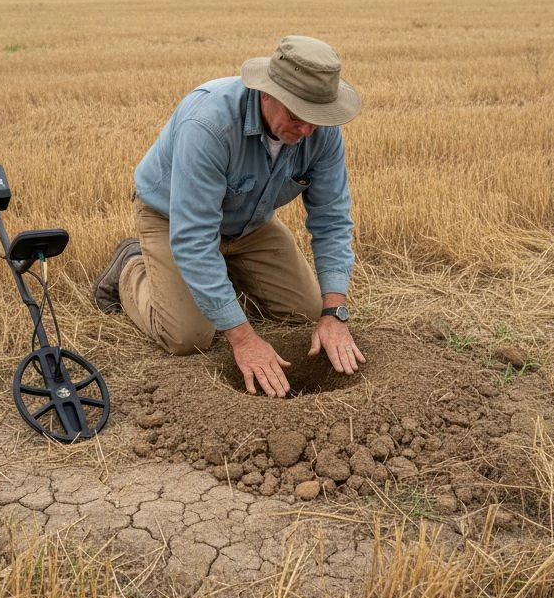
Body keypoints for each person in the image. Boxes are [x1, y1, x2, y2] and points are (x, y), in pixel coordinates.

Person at [92, 35, 366, 398]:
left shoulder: (319, 131)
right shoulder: (209, 124)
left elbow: (332, 220)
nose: (308, 132)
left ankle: (218, 279)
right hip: (173, 220)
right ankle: (131, 267)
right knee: (188, 336)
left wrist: (334, 314)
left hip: (251, 222)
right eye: (298, 117)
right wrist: (243, 337)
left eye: (317, 119)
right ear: (268, 94)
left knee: (307, 310)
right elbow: (194, 238)